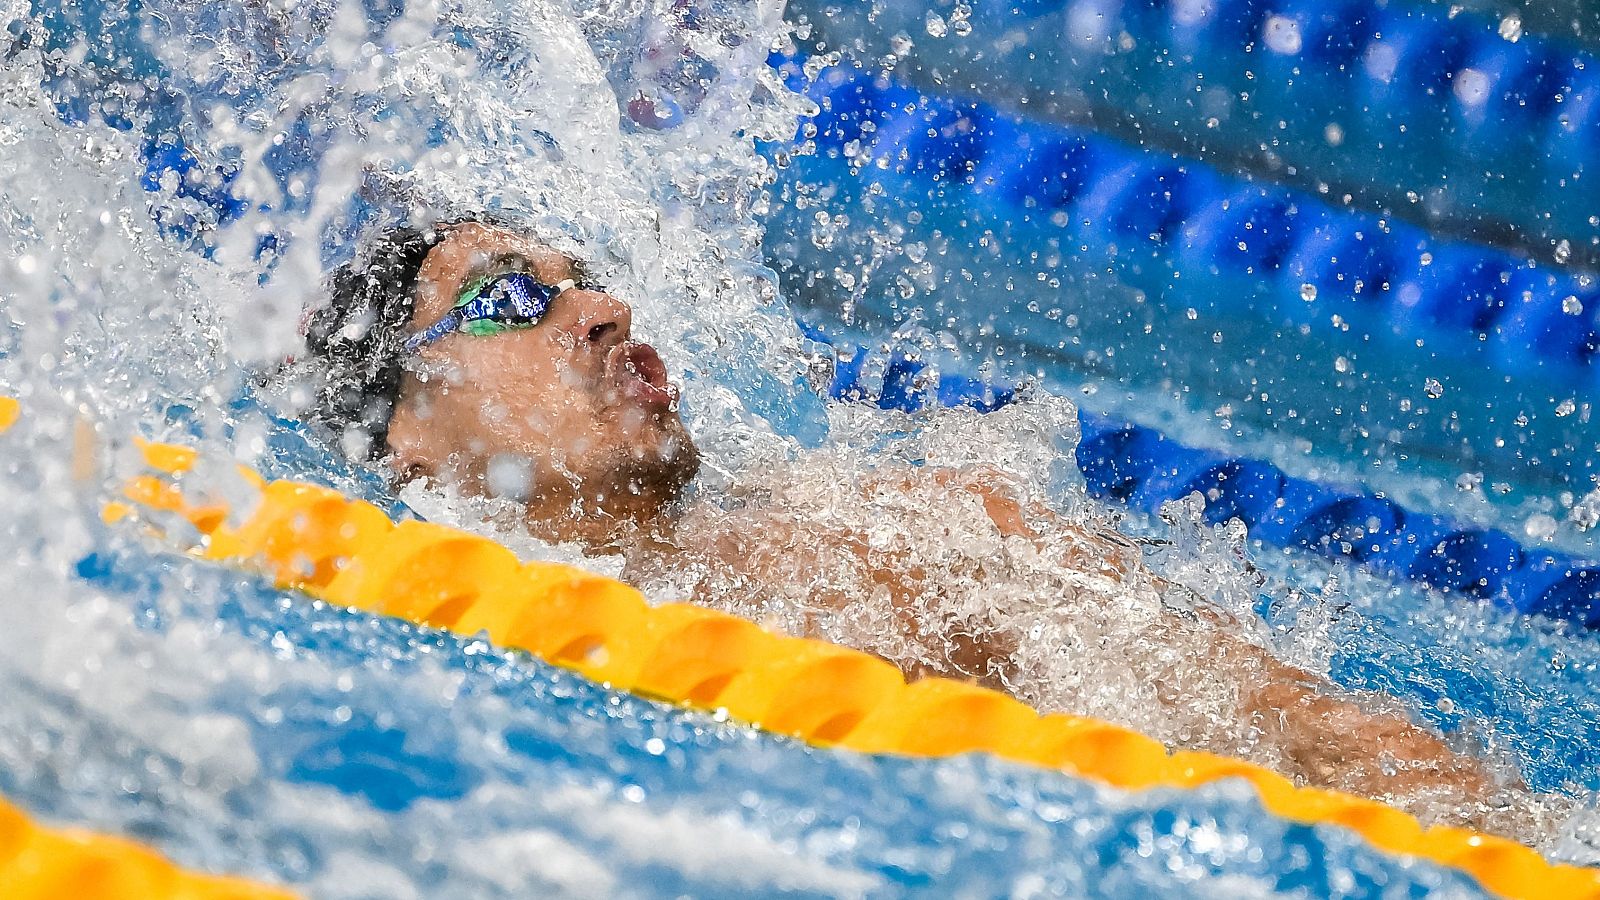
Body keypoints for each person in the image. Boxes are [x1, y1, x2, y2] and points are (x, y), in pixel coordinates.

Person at [295, 218, 1532, 835]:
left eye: (591, 273)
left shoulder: (908, 532)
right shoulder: (395, 657)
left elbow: (1299, 725)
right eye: (512, 299)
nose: (607, 305)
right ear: (408, 441)